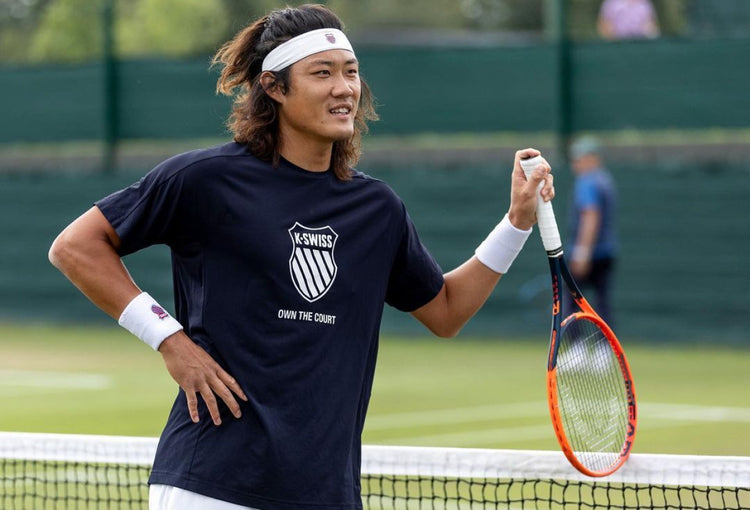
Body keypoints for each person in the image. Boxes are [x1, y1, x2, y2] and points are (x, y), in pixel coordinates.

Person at [48, 5, 554, 510]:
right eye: (323, 73)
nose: (344, 88)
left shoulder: (377, 209)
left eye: (351, 72)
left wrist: (517, 222)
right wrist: (169, 339)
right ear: (274, 87)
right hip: (211, 485)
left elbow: (446, 311)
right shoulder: (204, 179)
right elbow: (75, 246)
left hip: (324, 494)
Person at [566, 136, 618, 326]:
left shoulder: (587, 181)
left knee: (572, 303)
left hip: (589, 254)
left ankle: (575, 347)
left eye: (579, 159)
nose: (576, 163)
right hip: (607, 252)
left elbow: (590, 216)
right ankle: (605, 350)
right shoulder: (606, 179)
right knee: (602, 303)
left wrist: (581, 253)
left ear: (593, 158)